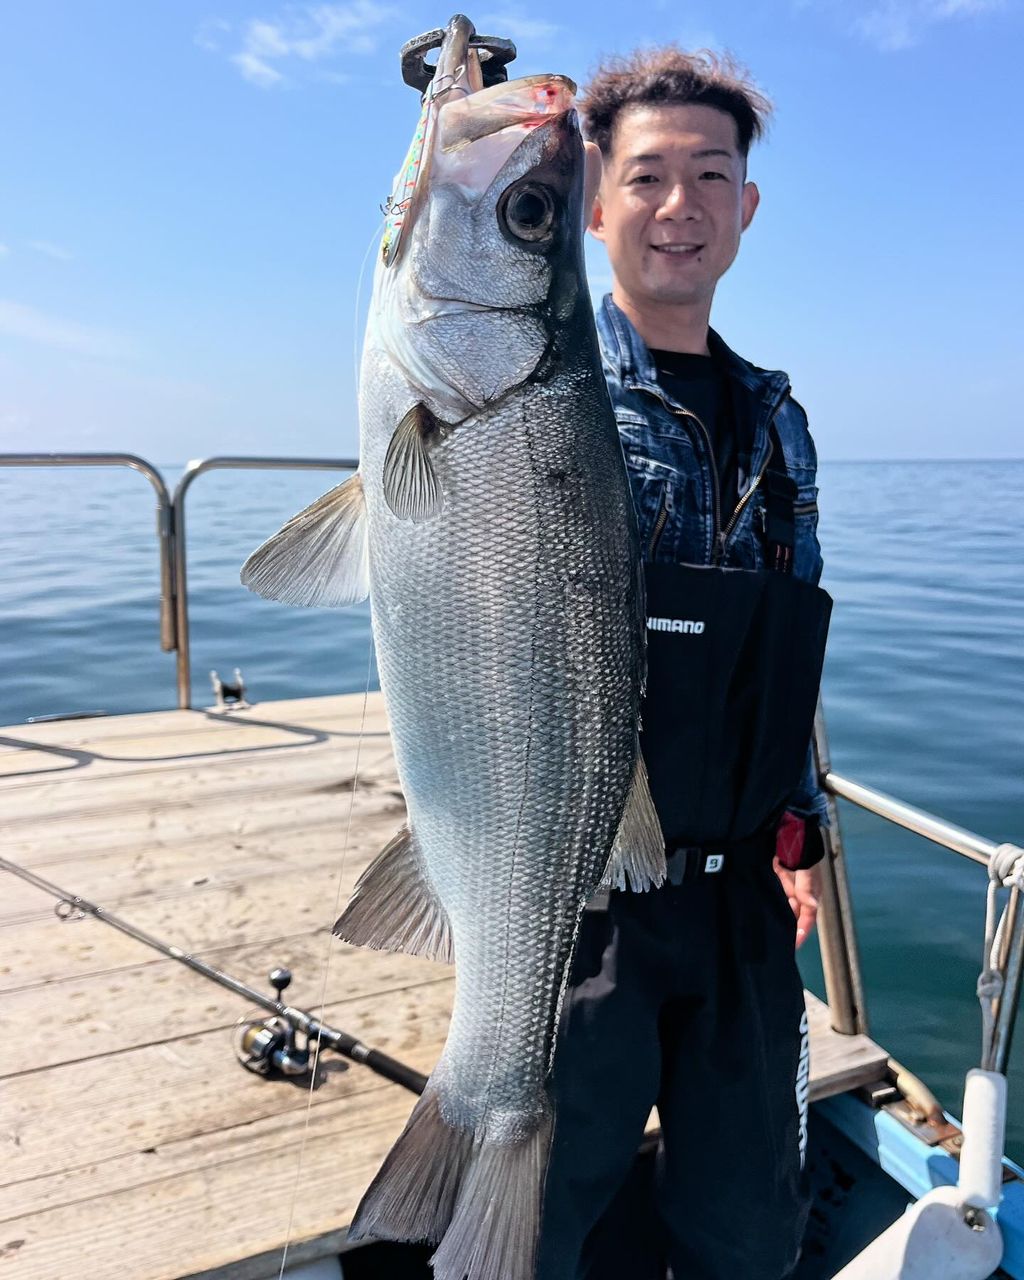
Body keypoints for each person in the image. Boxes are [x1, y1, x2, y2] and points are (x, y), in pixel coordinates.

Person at [537, 48, 833, 1280]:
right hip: (585, 889)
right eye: (646, 175)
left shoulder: (778, 415)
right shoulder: (541, 395)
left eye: (711, 174)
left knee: (748, 1224)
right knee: (546, 1217)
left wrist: (798, 830)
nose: (680, 206)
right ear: (591, 202)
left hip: (737, 901)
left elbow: (787, 637)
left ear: (747, 207)